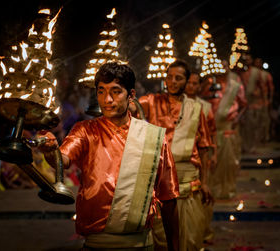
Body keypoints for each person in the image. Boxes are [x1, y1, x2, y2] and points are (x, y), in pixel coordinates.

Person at [38, 62, 180, 251]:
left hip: (141, 244)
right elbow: (61, 160)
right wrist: (50, 150)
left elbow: (169, 199)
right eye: (101, 91)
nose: (107, 99)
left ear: (131, 95)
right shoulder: (85, 131)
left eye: (116, 91)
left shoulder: (153, 138)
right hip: (96, 244)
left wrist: (174, 247)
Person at [132, 59, 213, 251]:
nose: (173, 82)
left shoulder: (196, 108)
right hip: (159, 181)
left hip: (188, 180)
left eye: (178, 78)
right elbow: (132, 107)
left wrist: (206, 182)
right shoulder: (151, 101)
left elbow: (203, 147)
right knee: (162, 240)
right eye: (169, 77)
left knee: (190, 239)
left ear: (186, 81)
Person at [202, 60, 247, 199]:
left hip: (228, 128)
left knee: (228, 162)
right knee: (210, 162)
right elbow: (203, 100)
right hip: (212, 129)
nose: (223, 68)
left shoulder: (235, 84)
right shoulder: (210, 83)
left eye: (225, 66)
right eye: (220, 65)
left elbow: (243, 104)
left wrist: (237, 119)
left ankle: (227, 190)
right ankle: (212, 189)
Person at [185, 71, 217, 246]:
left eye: (195, 83)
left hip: (199, 159)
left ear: (199, 86)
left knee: (201, 198)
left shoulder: (205, 107)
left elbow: (212, 134)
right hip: (180, 161)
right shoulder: (173, 105)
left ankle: (200, 233)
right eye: (188, 82)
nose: (191, 86)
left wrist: (215, 154)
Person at [238, 53, 264, 153]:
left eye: (248, 60)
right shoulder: (241, 73)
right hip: (243, 103)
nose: (246, 62)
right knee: (243, 126)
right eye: (245, 60)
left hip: (254, 103)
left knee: (253, 125)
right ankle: (245, 146)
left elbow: (262, 86)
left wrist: (259, 95)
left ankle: (253, 147)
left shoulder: (256, 72)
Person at [253, 57, 274, 143]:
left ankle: (264, 139)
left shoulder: (266, 74)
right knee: (255, 121)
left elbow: (271, 87)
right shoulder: (252, 74)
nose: (257, 64)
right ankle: (255, 140)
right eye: (256, 62)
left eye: (259, 62)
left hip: (264, 101)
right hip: (254, 102)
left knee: (264, 121)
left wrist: (270, 99)